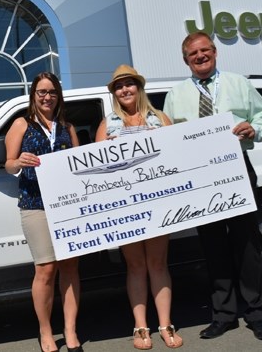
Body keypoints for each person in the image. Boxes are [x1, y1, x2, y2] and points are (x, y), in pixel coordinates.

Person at [162, 31, 262, 341]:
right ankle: (223, 315)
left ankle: (256, 314)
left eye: (205, 50)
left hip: (236, 169)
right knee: (213, 246)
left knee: (247, 244)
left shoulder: (239, 83)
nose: (200, 56)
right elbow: (168, 137)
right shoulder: (175, 95)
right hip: (200, 178)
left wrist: (255, 128)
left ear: (214, 51)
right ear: (185, 60)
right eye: (193, 54)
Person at [95, 65, 183, 350]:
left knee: (158, 263)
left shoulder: (160, 119)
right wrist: (105, 150)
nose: (124, 90)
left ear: (138, 87)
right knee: (135, 266)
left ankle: (166, 325)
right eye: (119, 86)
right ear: (114, 93)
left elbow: (177, 158)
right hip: (125, 209)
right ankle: (140, 327)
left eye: (129, 84)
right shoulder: (107, 125)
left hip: (159, 204)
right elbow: (97, 171)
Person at [5, 72, 83, 352]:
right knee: (46, 269)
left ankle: (71, 330)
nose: (47, 97)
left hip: (67, 206)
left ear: (58, 95)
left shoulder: (67, 127)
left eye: (51, 92)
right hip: (34, 205)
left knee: (70, 267)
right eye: (41, 92)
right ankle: (46, 332)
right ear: (33, 95)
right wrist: (18, 161)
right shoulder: (21, 124)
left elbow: (78, 167)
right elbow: (8, 165)